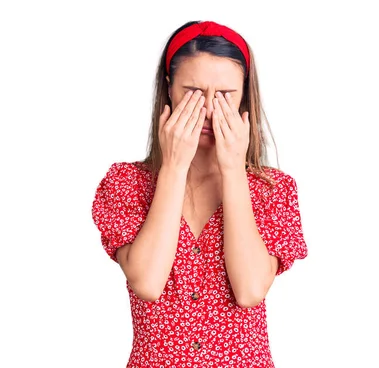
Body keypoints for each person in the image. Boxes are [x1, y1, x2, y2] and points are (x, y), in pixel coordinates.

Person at [91, 20, 308, 368]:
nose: (208, 109)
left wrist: (234, 170)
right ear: (169, 90)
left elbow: (251, 290)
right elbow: (146, 282)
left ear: (244, 96)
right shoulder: (127, 183)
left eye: (224, 95)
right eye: (192, 92)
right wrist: (174, 168)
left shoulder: (273, 190)